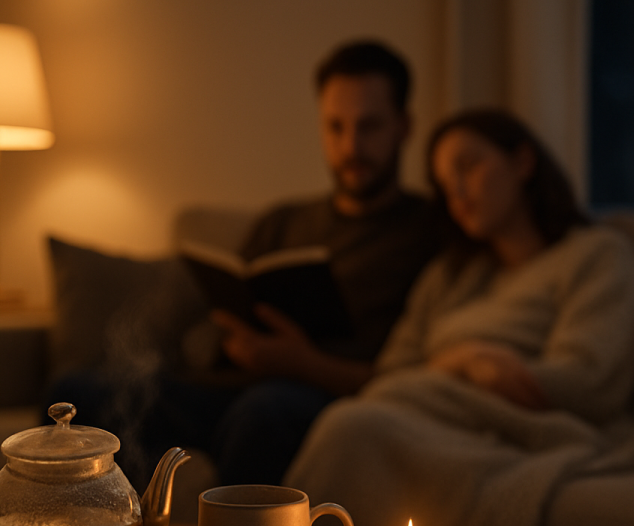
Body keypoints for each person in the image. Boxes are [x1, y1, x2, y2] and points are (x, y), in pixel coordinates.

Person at [47, 40, 442, 490]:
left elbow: (413, 374)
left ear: (405, 126)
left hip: (316, 397)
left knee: (262, 413)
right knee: (74, 395)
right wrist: (230, 335)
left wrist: (303, 362)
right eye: (336, 127)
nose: (351, 146)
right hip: (221, 390)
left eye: (369, 127)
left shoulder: (431, 231)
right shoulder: (283, 221)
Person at [285, 108, 634, 526]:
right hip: (423, 412)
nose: (457, 192)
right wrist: (463, 361)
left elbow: (590, 381)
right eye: (445, 183)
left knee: (352, 427)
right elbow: (390, 375)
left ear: (522, 162)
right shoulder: (450, 275)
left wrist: (487, 373)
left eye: (469, 167)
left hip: (515, 426)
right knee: (351, 421)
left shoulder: (595, 254)